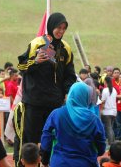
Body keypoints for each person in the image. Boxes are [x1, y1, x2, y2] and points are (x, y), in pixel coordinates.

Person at [15, 12, 76, 166]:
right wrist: (35, 61)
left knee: (50, 140)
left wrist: (67, 92)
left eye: (63, 28)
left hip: (55, 104)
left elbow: (70, 75)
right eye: (58, 27)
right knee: (30, 141)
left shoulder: (66, 48)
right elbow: (21, 66)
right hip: (34, 102)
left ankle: (46, 164)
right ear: (51, 26)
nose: (60, 31)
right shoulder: (37, 43)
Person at [40, 82, 106, 167]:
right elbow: (101, 147)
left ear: (71, 94)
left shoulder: (57, 114)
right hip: (86, 162)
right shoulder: (94, 119)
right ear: (87, 96)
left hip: (60, 162)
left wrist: (45, 161)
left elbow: (46, 139)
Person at [100, 76, 117, 145]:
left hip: (107, 111)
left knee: (108, 128)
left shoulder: (105, 90)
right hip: (113, 111)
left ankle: (111, 143)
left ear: (105, 82)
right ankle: (112, 142)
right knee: (110, 127)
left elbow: (103, 101)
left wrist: (101, 109)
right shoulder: (114, 90)